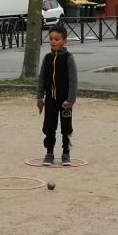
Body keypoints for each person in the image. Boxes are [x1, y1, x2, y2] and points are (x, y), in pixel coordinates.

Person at [35, 23, 78, 166]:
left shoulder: (68, 58)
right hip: (50, 100)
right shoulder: (47, 58)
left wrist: (71, 99)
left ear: (65, 41)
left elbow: (73, 80)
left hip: (65, 100)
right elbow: (42, 79)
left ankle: (66, 153)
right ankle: (49, 152)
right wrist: (40, 97)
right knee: (49, 126)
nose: (53, 41)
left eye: (57, 39)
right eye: (51, 39)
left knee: (66, 127)